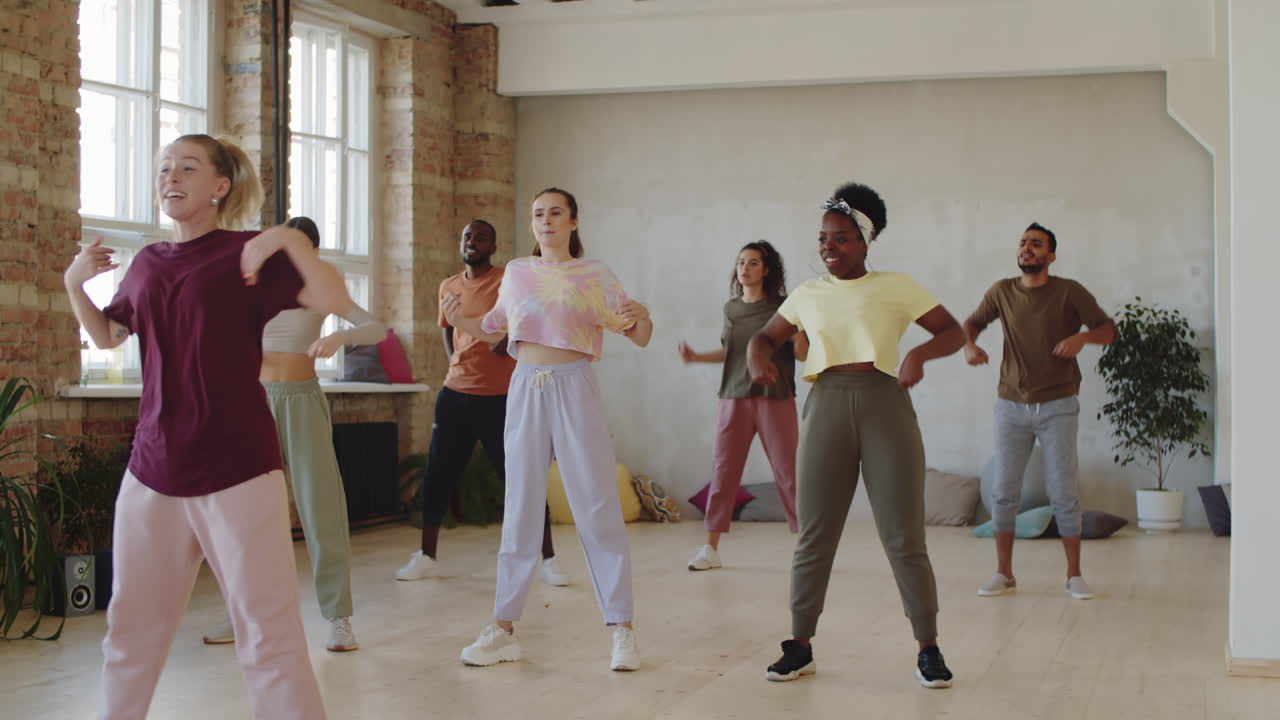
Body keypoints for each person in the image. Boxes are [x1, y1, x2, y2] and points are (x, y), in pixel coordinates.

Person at [66, 134, 348, 718]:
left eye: (187, 168)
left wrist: (288, 240)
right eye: (164, 167)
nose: (170, 176)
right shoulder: (147, 263)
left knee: (267, 631)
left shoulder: (247, 255)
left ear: (220, 187)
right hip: (153, 470)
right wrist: (75, 284)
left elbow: (331, 295)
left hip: (237, 468)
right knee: (130, 628)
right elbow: (108, 336)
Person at [746, 182, 964, 688]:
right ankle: (800, 644)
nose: (829, 248)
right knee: (814, 533)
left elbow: (951, 332)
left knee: (904, 535)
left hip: (885, 405)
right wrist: (759, 356)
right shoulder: (808, 294)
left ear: (865, 241)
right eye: (823, 239)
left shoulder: (897, 286)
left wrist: (918, 356)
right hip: (825, 408)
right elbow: (765, 336)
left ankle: (928, 647)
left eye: (841, 239)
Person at [444, 188, 653, 672]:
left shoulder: (595, 275)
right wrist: (461, 321)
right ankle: (503, 627)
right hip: (524, 388)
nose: (546, 221)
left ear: (574, 222)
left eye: (555, 213)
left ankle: (622, 628)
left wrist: (644, 318)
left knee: (596, 503)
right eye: (538, 214)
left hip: (575, 386)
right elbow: (496, 329)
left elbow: (639, 336)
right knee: (520, 504)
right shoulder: (518, 272)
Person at [200, 215, 384, 651]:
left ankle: (339, 617)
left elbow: (375, 328)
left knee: (320, 507)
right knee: (246, 513)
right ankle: (240, 613)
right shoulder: (260, 288)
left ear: (312, 252)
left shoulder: (320, 290)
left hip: (301, 401)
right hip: (253, 401)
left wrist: (339, 336)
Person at [395, 219, 567, 587]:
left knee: (521, 477)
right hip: (455, 396)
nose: (472, 242)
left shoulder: (510, 280)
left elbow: (531, 318)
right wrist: (456, 358)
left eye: (481, 237)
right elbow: (447, 327)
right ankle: (426, 556)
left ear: (493, 245)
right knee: (437, 476)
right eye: (467, 237)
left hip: (502, 398)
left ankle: (549, 559)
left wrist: (510, 342)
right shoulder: (449, 285)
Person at [963, 222, 1116, 601]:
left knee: (1063, 491)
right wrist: (970, 346)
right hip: (1010, 404)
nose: (1027, 249)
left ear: (1051, 255)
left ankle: (1074, 576)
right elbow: (972, 322)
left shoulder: (1069, 291)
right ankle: (1004, 573)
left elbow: (1108, 330)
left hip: (1059, 405)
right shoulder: (1002, 291)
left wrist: (1082, 337)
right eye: (1023, 243)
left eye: (1036, 244)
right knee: (1003, 492)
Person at [678, 241, 806, 570]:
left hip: (775, 398)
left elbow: (802, 353)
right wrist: (696, 358)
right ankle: (710, 548)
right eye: (740, 263)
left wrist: (800, 334)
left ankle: (807, 547)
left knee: (788, 474)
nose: (744, 268)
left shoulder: (785, 308)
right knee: (723, 473)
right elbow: (731, 353)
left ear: (766, 269)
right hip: (733, 397)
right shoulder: (731, 309)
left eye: (752, 263)